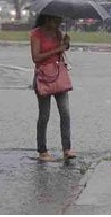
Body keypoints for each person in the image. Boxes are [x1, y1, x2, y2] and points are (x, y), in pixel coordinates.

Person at [30, 14, 76, 162]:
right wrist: (57, 49)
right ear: (47, 19)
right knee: (44, 115)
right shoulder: (36, 34)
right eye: (55, 21)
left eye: (60, 21)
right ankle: (42, 150)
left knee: (65, 112)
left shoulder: (58, 33)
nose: (58, 24)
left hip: (59, 76)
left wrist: (65, 45)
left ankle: (67, 148)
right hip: (44, 77)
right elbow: (35, 57)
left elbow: (60, 52)